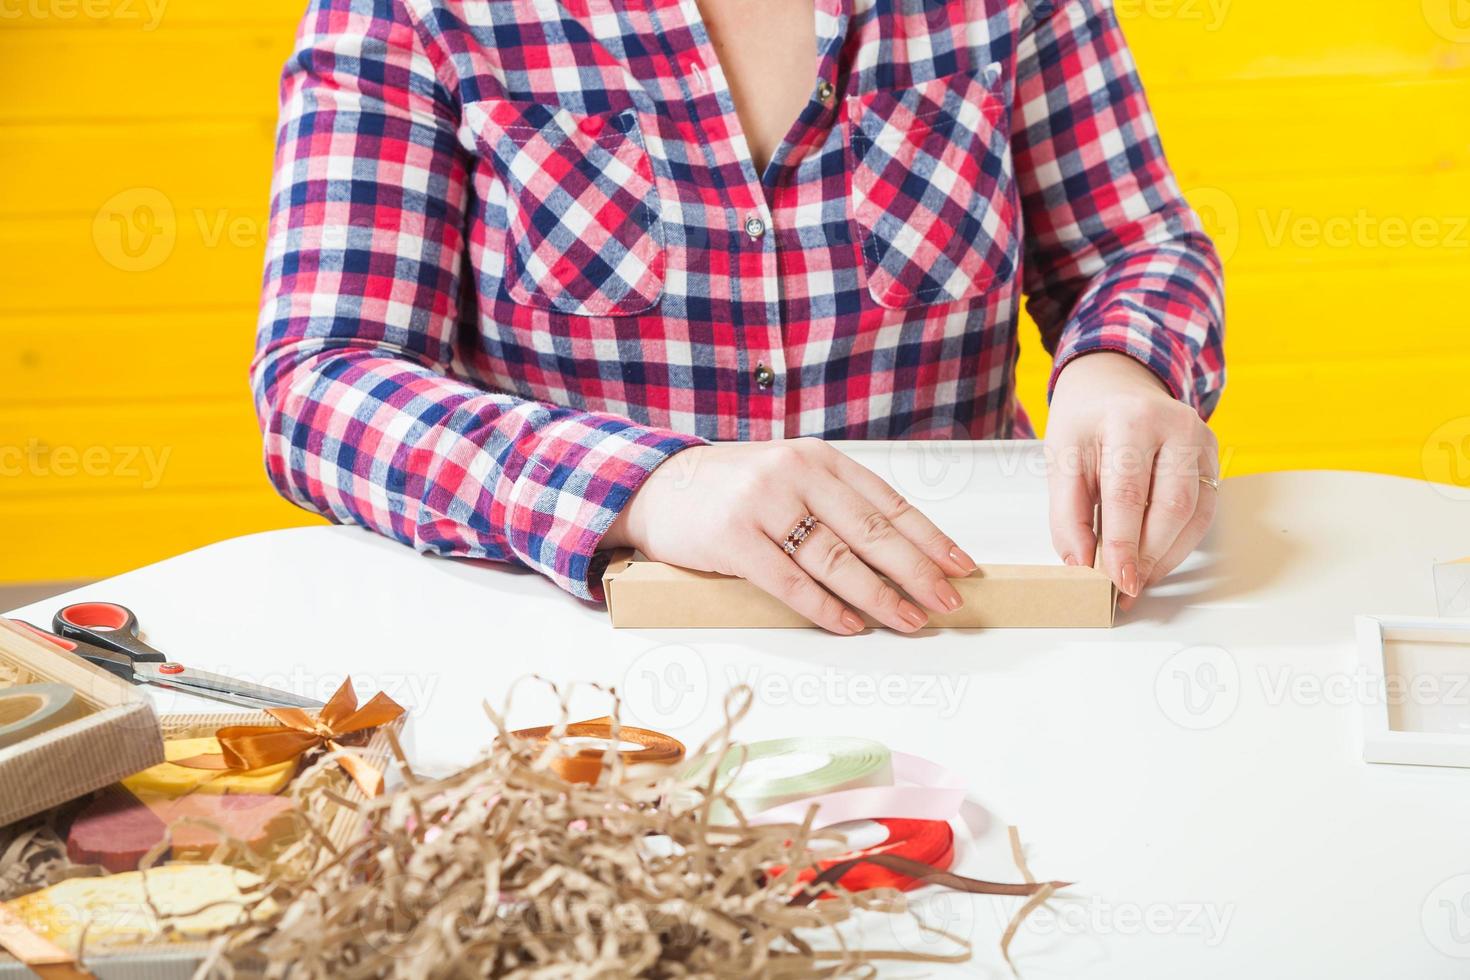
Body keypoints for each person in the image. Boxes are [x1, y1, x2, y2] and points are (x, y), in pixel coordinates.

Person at [252, 0, 1224, 635]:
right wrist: (645, 486)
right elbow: (321, 381)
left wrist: (1119, 370)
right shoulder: (412, 14)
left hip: (966, 617)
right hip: (584, 657)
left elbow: (1137, 249)